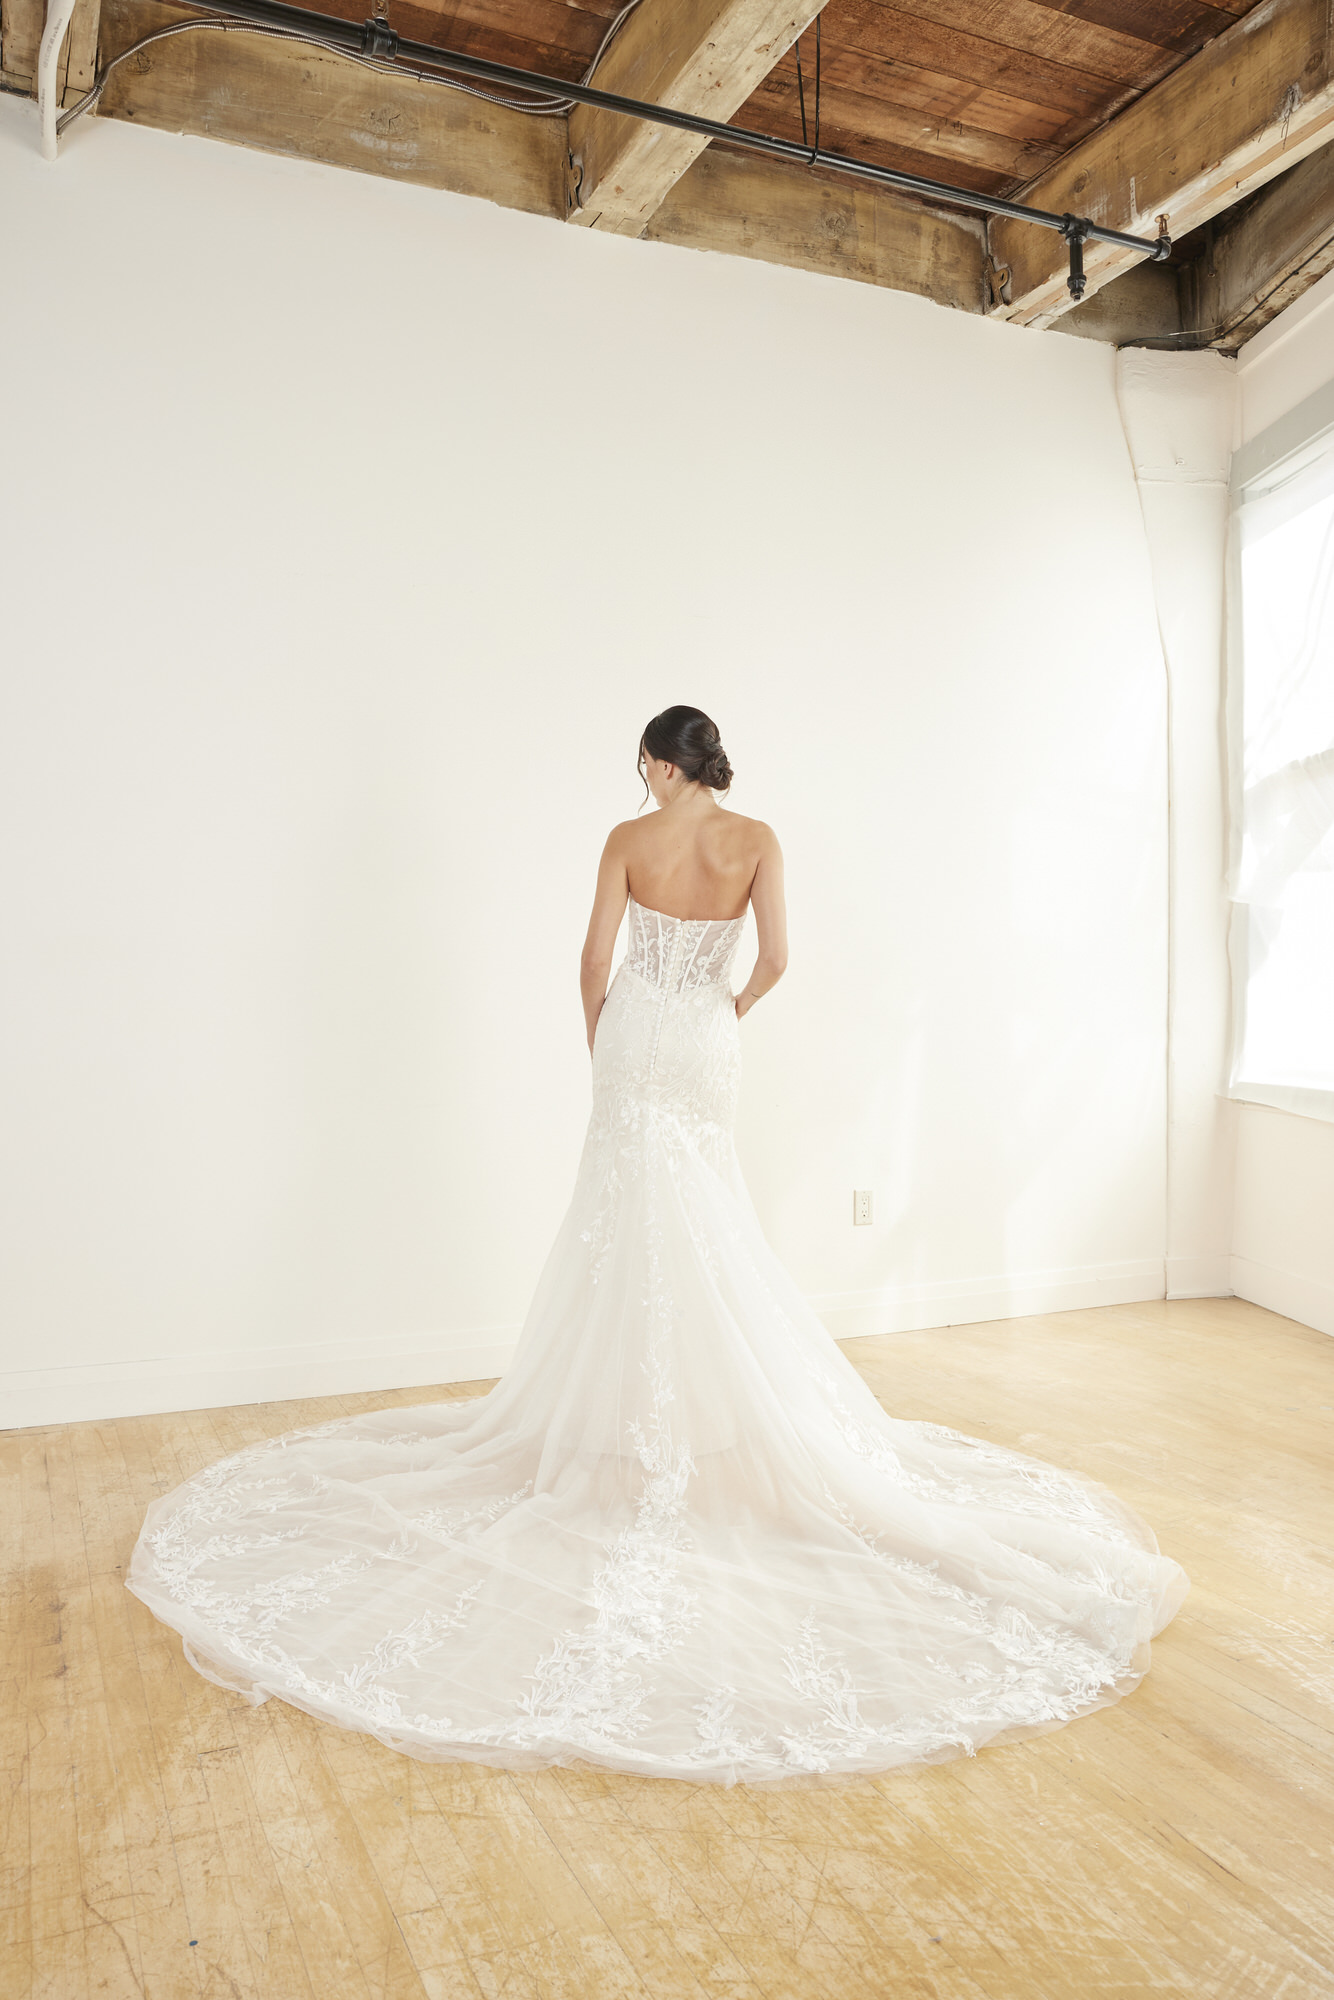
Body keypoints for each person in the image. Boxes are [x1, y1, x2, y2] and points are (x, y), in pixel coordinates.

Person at [128, 705, 1187, 1783]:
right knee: (705, 1210)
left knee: (624, 1219)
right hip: (705, 1036)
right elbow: (777, 959)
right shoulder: (756, 839)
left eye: (641, 760)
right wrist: (724, 1008)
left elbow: (593, 958)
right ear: (706, 763)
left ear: (656, 761)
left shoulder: (627, 840)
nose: (639, 774)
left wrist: (603, 1038)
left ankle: (627, 1424)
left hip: (637, 1031)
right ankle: (704, 1421)